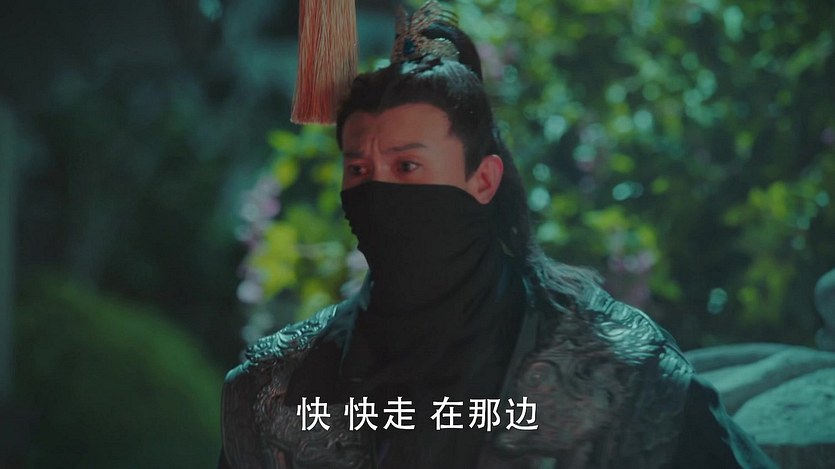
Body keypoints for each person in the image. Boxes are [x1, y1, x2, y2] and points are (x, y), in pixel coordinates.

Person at [219, 3, 777, 468]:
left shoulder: (618, 369)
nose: (378, 193)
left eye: (408, 167)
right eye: (359, 170)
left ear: (483, 180)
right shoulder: (275, 388)